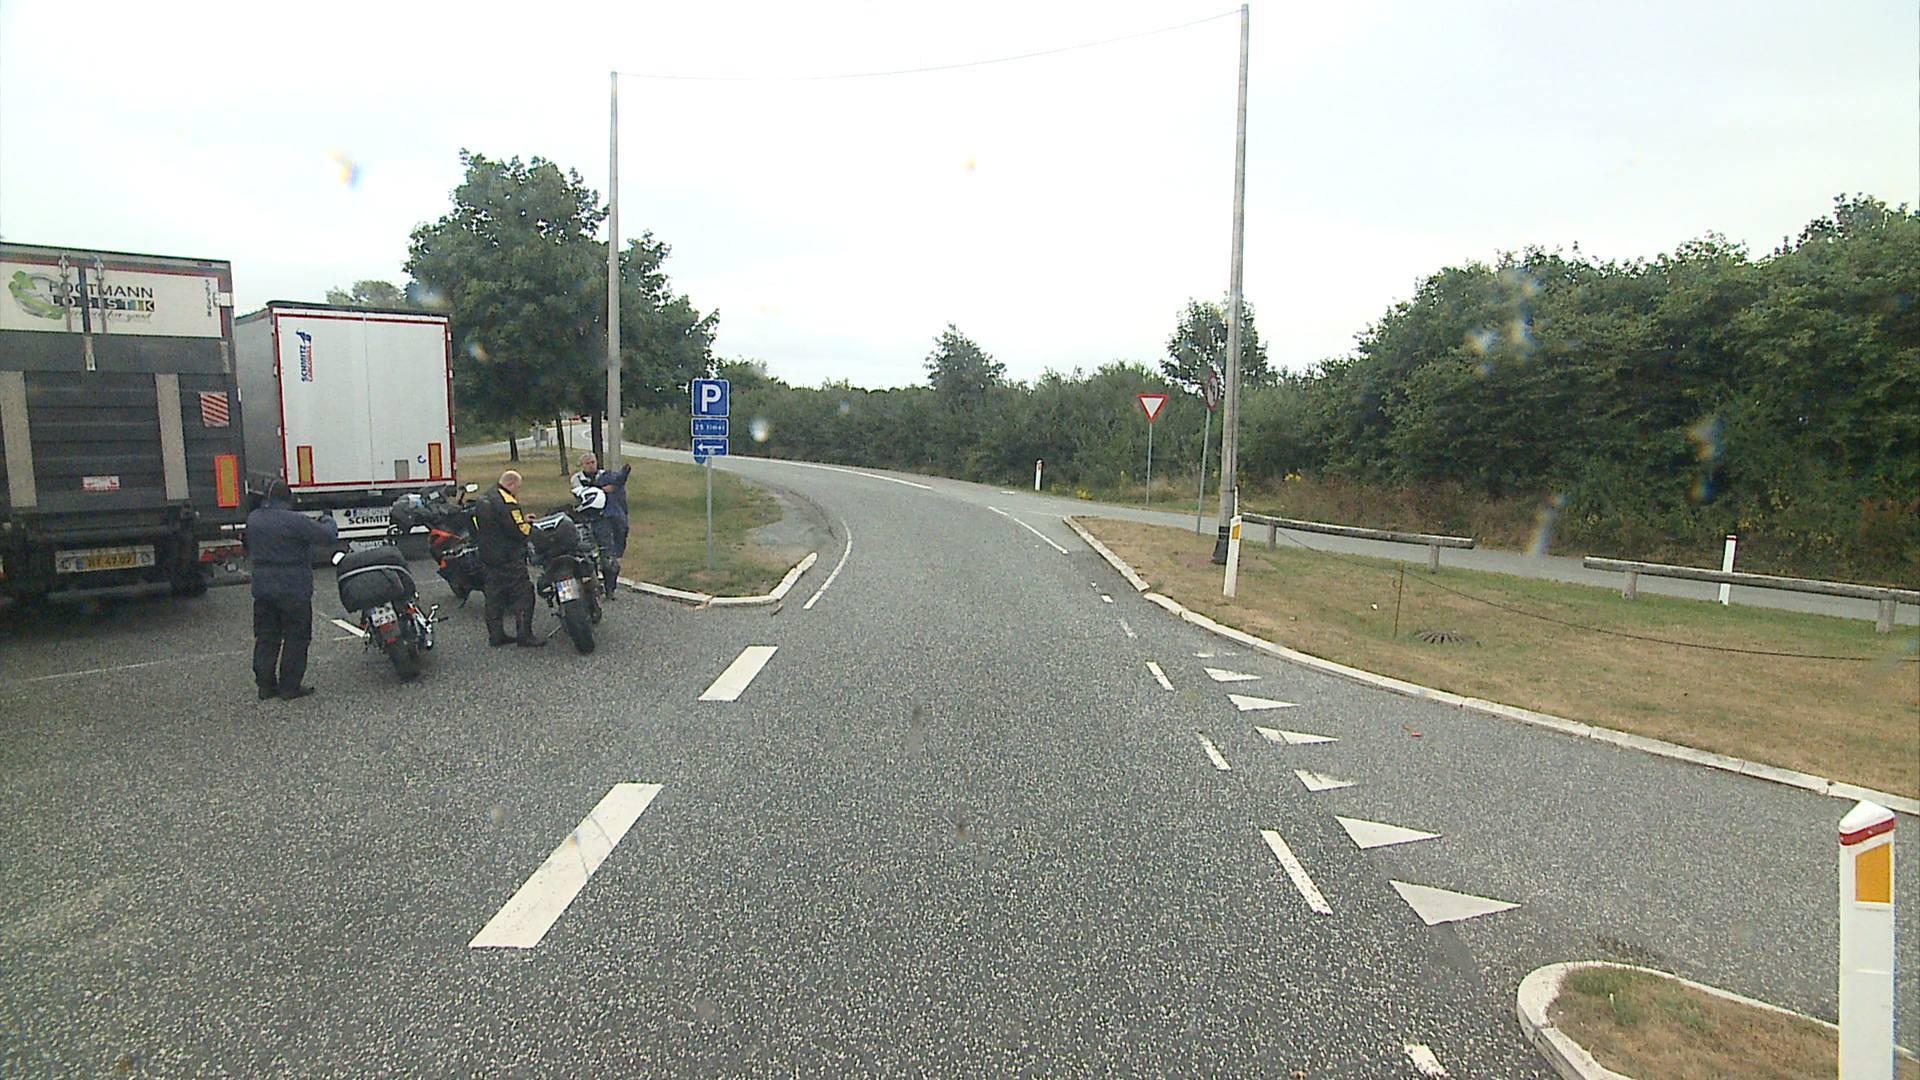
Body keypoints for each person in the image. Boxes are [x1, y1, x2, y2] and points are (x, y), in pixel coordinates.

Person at [245, 478, 339, 700]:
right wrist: (327, 518)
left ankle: (265, 686)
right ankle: (289, 686)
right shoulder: (295, 521)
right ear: (288, 498)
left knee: (266, 637)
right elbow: (327, 536)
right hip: (293, 587)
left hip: (263, 588)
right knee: (296, 637)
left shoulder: (254, 519)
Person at [475, 469, 545, 647]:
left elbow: (484, 525)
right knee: (524, 594)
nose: (518, 491)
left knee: (494, 596)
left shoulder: (485, 497)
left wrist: (521, 520)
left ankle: (496, 636)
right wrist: (532, 529)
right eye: (518, 487)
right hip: (508, 556)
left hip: (488, 555)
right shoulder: (508, 502)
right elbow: (518, 531)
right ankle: (524, 636)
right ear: (511, 484)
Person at [571, 452, 631, 599]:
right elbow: (582, 493)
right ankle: (590, 588)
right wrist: (601, 489)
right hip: (584, 520)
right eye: (587, 463)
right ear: (582, 465)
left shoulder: (605, 475)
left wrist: (617, 482)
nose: (591, 465)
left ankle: (610, 589)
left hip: (604, 519)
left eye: (593, 462)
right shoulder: (577, 478)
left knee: (608, 557)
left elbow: (617, 485)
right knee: (585, 555)